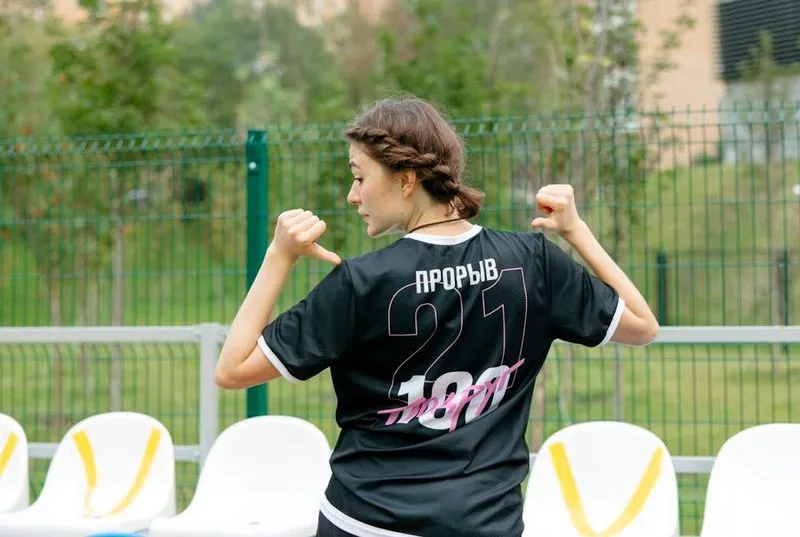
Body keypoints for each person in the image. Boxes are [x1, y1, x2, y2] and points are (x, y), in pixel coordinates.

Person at [214, 96, 660, 537]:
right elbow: (643, 326)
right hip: (485, 523)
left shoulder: (360, 283)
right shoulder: (534, 263)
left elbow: (232, 369)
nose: (353, 196)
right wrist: (575, 231)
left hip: (367, 522)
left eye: (359, 177)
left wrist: (279, 256)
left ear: (406, 179)